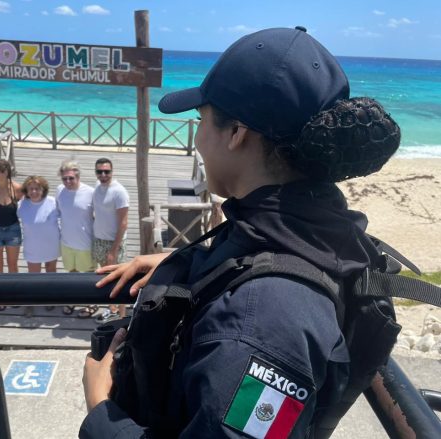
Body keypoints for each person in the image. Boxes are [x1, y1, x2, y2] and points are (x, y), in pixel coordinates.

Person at [80, 27, 401, 437]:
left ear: (236, 133)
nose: (198, 139)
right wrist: (191, 263)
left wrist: (101, 410)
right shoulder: (313, 230)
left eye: (200, 120)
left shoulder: (263, 320)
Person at [55, 160, 96, 317]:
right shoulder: (60, 190)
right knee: (71, 273)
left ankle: (91, 302)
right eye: (64, 178)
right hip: (66, 242)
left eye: (71, 178)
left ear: (78, 176)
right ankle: (73, 298)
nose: (67, 181)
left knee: (88, 275)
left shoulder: (91, 192)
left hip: (85, 243)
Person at [91, 158, 129, 323]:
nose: (103, 175)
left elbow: (124, 222)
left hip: (113, 243)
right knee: (106, 278)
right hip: (99, 240)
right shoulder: (97, 187)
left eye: (106, 171)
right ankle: (112, 309)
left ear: (112, 172)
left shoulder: (119, 192)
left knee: (119, 280)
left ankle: (122, 317)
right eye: (99, 171)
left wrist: (113, 249)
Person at [17, 175, 60, 317]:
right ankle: (31, 301)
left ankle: (50, 298)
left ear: (43, 189)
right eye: (31, 189)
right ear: (26, 190)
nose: (34, 191)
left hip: (51, 243)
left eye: (37, 188)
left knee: (50, 271)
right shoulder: (21, 204)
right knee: (33, 275)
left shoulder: (53, 202)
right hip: (32, 245)